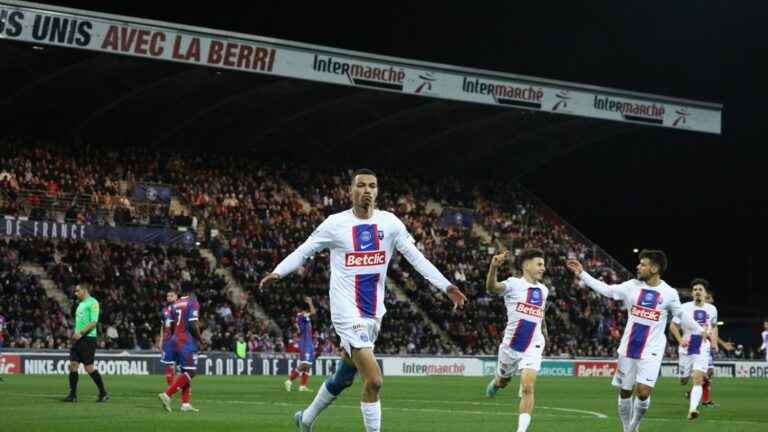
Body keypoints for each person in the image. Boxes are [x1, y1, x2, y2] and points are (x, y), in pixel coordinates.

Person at [260, 169, 467, 432]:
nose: (367, 190)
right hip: (346, 311)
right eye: (361, 185)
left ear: (377, 191)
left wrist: (446, 285)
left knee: (344, 377)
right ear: (351, 191)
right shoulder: (335, 224)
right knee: (374, 380)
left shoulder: (390, 224)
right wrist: (278, 271)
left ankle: (306, 419)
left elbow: (417, 259)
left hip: (373, 313)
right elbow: (304, 250)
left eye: (372, 186)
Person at [567, 250, 706, 431]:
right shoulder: (631, 286)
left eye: (643, 264)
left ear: (654, 268)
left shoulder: (669, 293)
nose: (638, 266)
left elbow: (681, 314)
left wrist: (700, 329)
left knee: (643, 392)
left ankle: (633, 426)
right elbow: (608, 290)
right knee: (625, 392)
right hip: (629, 346)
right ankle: (626, 428)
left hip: (652, 349)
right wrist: (582, 274)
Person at [484, 249, 549, 432]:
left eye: (543, 264)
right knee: (503, 381)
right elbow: (492, 288)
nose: (543, 268)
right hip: (511, 346)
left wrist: (544, 329)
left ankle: (521, 430)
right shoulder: (513, 284)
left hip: (533, 345)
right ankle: (496, 383)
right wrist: (493, 267)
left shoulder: (544, 290)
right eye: (539, 264)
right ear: (526, 265)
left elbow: (540, 314)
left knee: (528, 387)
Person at [669, 278, 718, 419]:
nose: (697, 292)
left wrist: (713, 342)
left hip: (702, 346)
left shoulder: (712, 309)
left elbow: (713, 327)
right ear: (692, 293)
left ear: (705, 293)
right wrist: (680, 339)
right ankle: (683, 375)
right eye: (695, 290)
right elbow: (673, 326)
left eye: (700, 290)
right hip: (686, 347)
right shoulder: (684, 307)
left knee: (698, 378)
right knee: (684, 380)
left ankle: (693, 409)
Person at [62, 284, 109, 402]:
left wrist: (81, 333)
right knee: (73, 365)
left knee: (89, 367)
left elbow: (93, 322)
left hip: (87, 338)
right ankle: (73, 395)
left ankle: (103, 393)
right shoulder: (79, 304)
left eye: (77, 291)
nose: (75, 293)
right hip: (78, 339)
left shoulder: (93, 302)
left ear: (85, 290)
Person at [158, 283, 200, 413]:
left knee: (185, 371)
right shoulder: (192, 302)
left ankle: (185, 404)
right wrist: (199, 339)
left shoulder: (174, 305)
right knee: (191, 372)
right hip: (185, 341)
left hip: (174, 340)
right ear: (192, 291)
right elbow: (193, 324)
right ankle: (167, 394)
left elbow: (168, 326)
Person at [285, 296, 317, 392]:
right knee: (304, 364)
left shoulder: (304, 316)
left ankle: (302, 386)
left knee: (308, 365)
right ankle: (289, 380)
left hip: (309, 342)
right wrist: (310, 302)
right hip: (304, 342)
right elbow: (313, 312)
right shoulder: (301, 315)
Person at [159, 289, 179, 386]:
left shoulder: (181, 310)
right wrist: (160, 341)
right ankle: (170, 388)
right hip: (168, 341)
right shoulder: (164, 311)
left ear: (176, 297)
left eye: (171, 295)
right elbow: (162, 327)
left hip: (180, 340)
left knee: (181, 365)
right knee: (169, 364)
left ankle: (183, 387)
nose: (169, 298)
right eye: (168, 296)